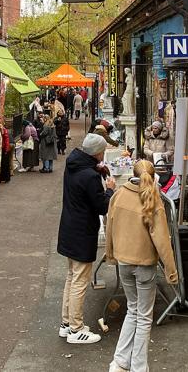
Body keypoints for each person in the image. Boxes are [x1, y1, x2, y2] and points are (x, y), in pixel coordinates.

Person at [104, 159, 178, 372]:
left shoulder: (118, 195)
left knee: (133, 310)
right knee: (144, 317)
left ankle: (120, 362)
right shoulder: (153, 199)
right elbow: (163, 239)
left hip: (123, 261)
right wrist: (172, 271)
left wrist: (111, 255)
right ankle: (138, 367)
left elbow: (109, 226)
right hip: (145, 264)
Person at [57, 133, 116, 344]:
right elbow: (101, 206)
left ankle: (66, 324)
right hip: (82, 232)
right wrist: (109, 190)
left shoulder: (73, 165)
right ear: (98, 152)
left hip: (69, 228)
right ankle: (76, 328)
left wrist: (96, 168)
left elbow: (84, 178)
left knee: (72, 277)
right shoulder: (90, 176)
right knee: (80, 281)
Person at [0, 117, 13, 183]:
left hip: (4, 148)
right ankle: (5, 178)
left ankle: (4, 178)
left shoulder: (3, 130)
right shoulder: (4, 130)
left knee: (4, 164)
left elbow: (6, 140)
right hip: (5, 148)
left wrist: (6, 149)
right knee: (5, 164)